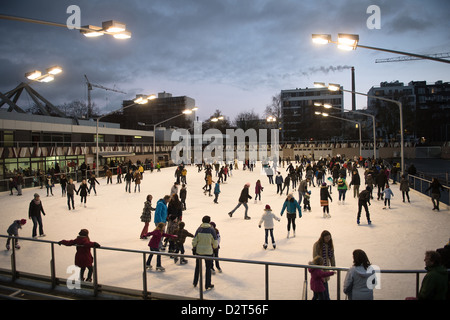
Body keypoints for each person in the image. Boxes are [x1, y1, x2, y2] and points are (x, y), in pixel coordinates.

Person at [192, 215, 218, 290]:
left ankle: (195, 281)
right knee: (208, 268)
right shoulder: (211, 230)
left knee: (197, 267)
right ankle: (207, 284)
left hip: (199, 251)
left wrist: (194, 246)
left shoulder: (199, 229)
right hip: (208, 252)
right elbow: (215, 242)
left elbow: (194, 240)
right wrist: (214, 247)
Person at [312, 230, 336, 300]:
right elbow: (315, 256)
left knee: (323, 290)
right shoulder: (317, 245)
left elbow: (332, 256)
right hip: (319, 271)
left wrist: (334, 266)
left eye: (329, 238)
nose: (328, 240)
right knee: (320, 293)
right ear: (322, 238)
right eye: (326, 238)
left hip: (325, 269)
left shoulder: (330, 245)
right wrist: (319, 266)